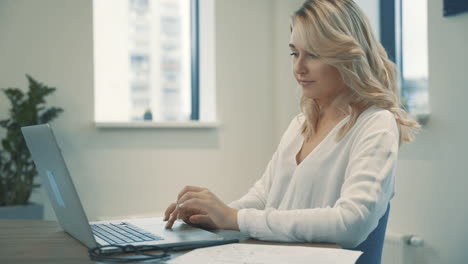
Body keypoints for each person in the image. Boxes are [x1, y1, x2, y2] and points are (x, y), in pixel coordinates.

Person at [163, 0, 420, 249]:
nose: (299, 67)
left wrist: (234, 218)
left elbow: (350, 223)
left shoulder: (376, 124)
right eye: (294, 53)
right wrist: (215, 215)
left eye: (313, 55)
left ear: (347, 55)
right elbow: (264, 197)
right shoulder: (301, 124)